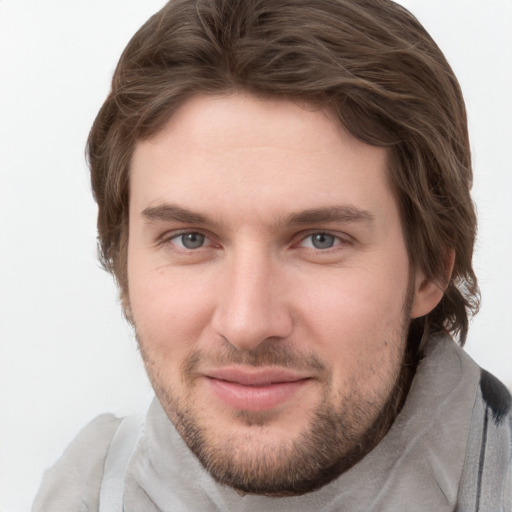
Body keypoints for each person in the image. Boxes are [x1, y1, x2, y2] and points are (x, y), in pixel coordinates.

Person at [33, 0, 512, 510]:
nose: (247, 323)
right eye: (190, 239)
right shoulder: (83, 490)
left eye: (320, 240)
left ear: (430, 269)